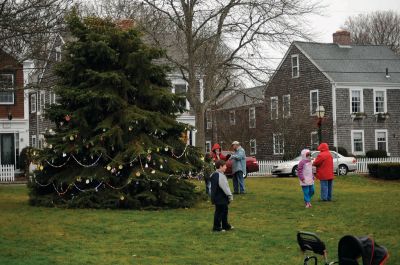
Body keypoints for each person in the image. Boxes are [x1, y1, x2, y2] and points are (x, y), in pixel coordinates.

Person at [210, 160, 233, 232]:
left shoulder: (214, 174)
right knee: (219, 212)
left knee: (224, 211)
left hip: (217, 197)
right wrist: (230, 195)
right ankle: (216, 227)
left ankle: (225, 225)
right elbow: (225, 187)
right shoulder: (220, 176)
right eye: (225, 166)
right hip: (221, 197)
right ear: (220, 166)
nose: (226, 167)